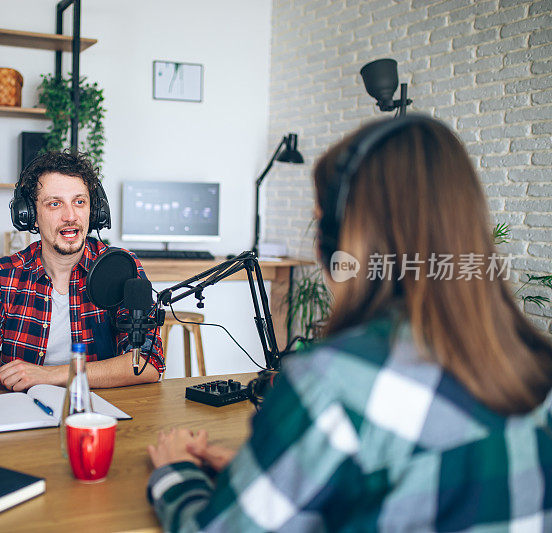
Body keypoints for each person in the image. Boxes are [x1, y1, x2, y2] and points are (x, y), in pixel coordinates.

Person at [146, 115, 552, 531]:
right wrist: (268, 472)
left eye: (320, 220)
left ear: (340, 240)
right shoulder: (538, 367)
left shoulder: (333, 382)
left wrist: (176, 472)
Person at [0, 150, 164, 414]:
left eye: (79, 202)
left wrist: (49, 375)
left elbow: (147, 362)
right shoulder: (4, 274)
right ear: (30, 215)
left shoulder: (122, 268)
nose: (70, 216)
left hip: (99, 418)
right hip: (22, 423)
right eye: (55, 204)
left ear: (95, 209)